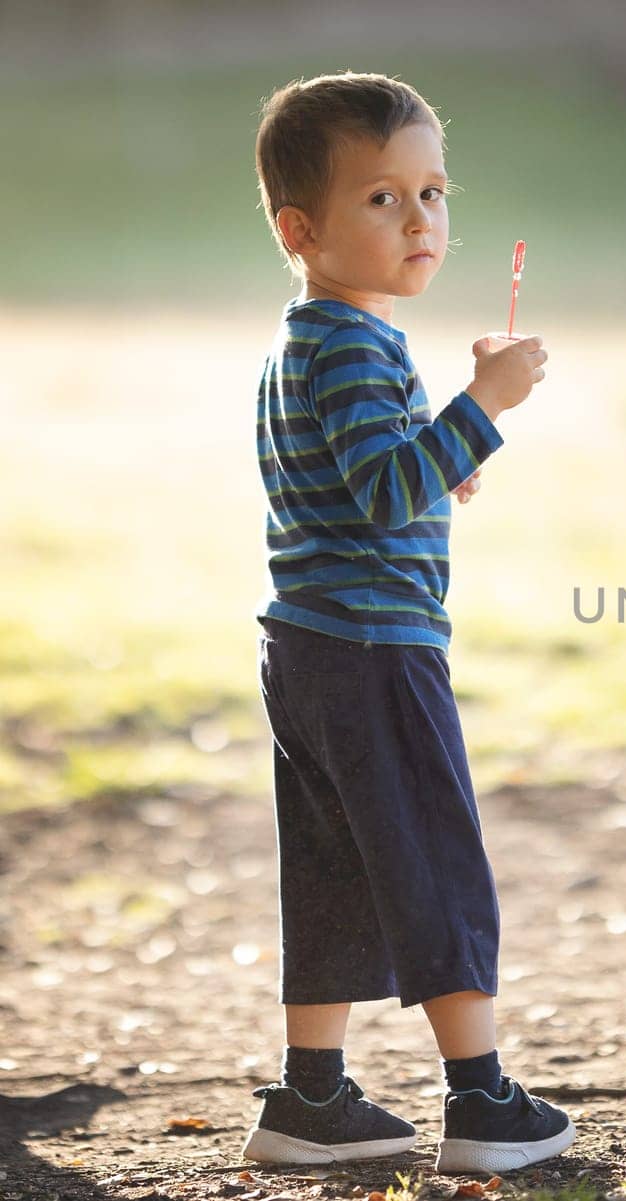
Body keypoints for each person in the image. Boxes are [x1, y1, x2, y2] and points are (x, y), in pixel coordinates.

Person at [243, 70, 572, 1177]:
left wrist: (444, 462)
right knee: (433, 854)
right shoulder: (350, 344)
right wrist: (483, 408)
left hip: (308, 644)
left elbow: (355, 485)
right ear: (302, 228)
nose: (421, 218)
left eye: (433, 191)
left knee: (335, 865)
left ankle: (314, 1097)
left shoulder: (311, 343)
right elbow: (386, 493)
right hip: (376, 650)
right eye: (381, 199)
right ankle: (481, 1101)